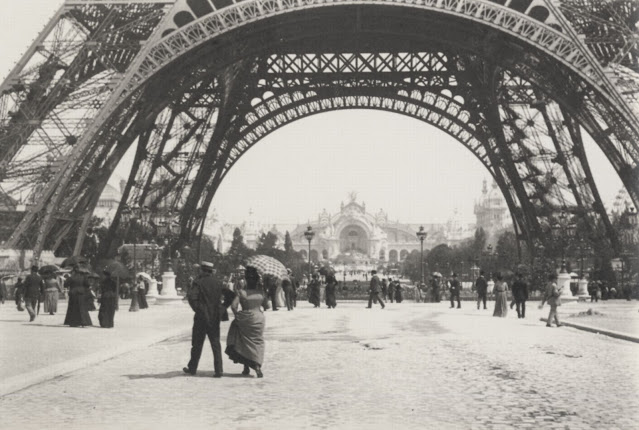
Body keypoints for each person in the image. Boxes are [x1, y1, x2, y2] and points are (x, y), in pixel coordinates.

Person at [184, 261, 236, 377]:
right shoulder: (218, 282)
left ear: (202, 270)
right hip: (214, 317)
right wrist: (222, 307)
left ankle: (192, 368)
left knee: (197, 343)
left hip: (201, 318)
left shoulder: (198, 282)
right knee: (215, 343)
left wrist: (198, 309)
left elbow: (192, 298)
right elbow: (231, 295)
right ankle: (219, 370)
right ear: (211, 271)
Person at [226, 266, 265, 378]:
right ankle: (257, 366)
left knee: (242, 341)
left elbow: (234, 306)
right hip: (259, 318)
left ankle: (246, 367)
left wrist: (237, 315)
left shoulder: (242, 292)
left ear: (246, 280)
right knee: (257, 342)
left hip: (246, 317)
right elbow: (267, 305)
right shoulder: (261, 292)